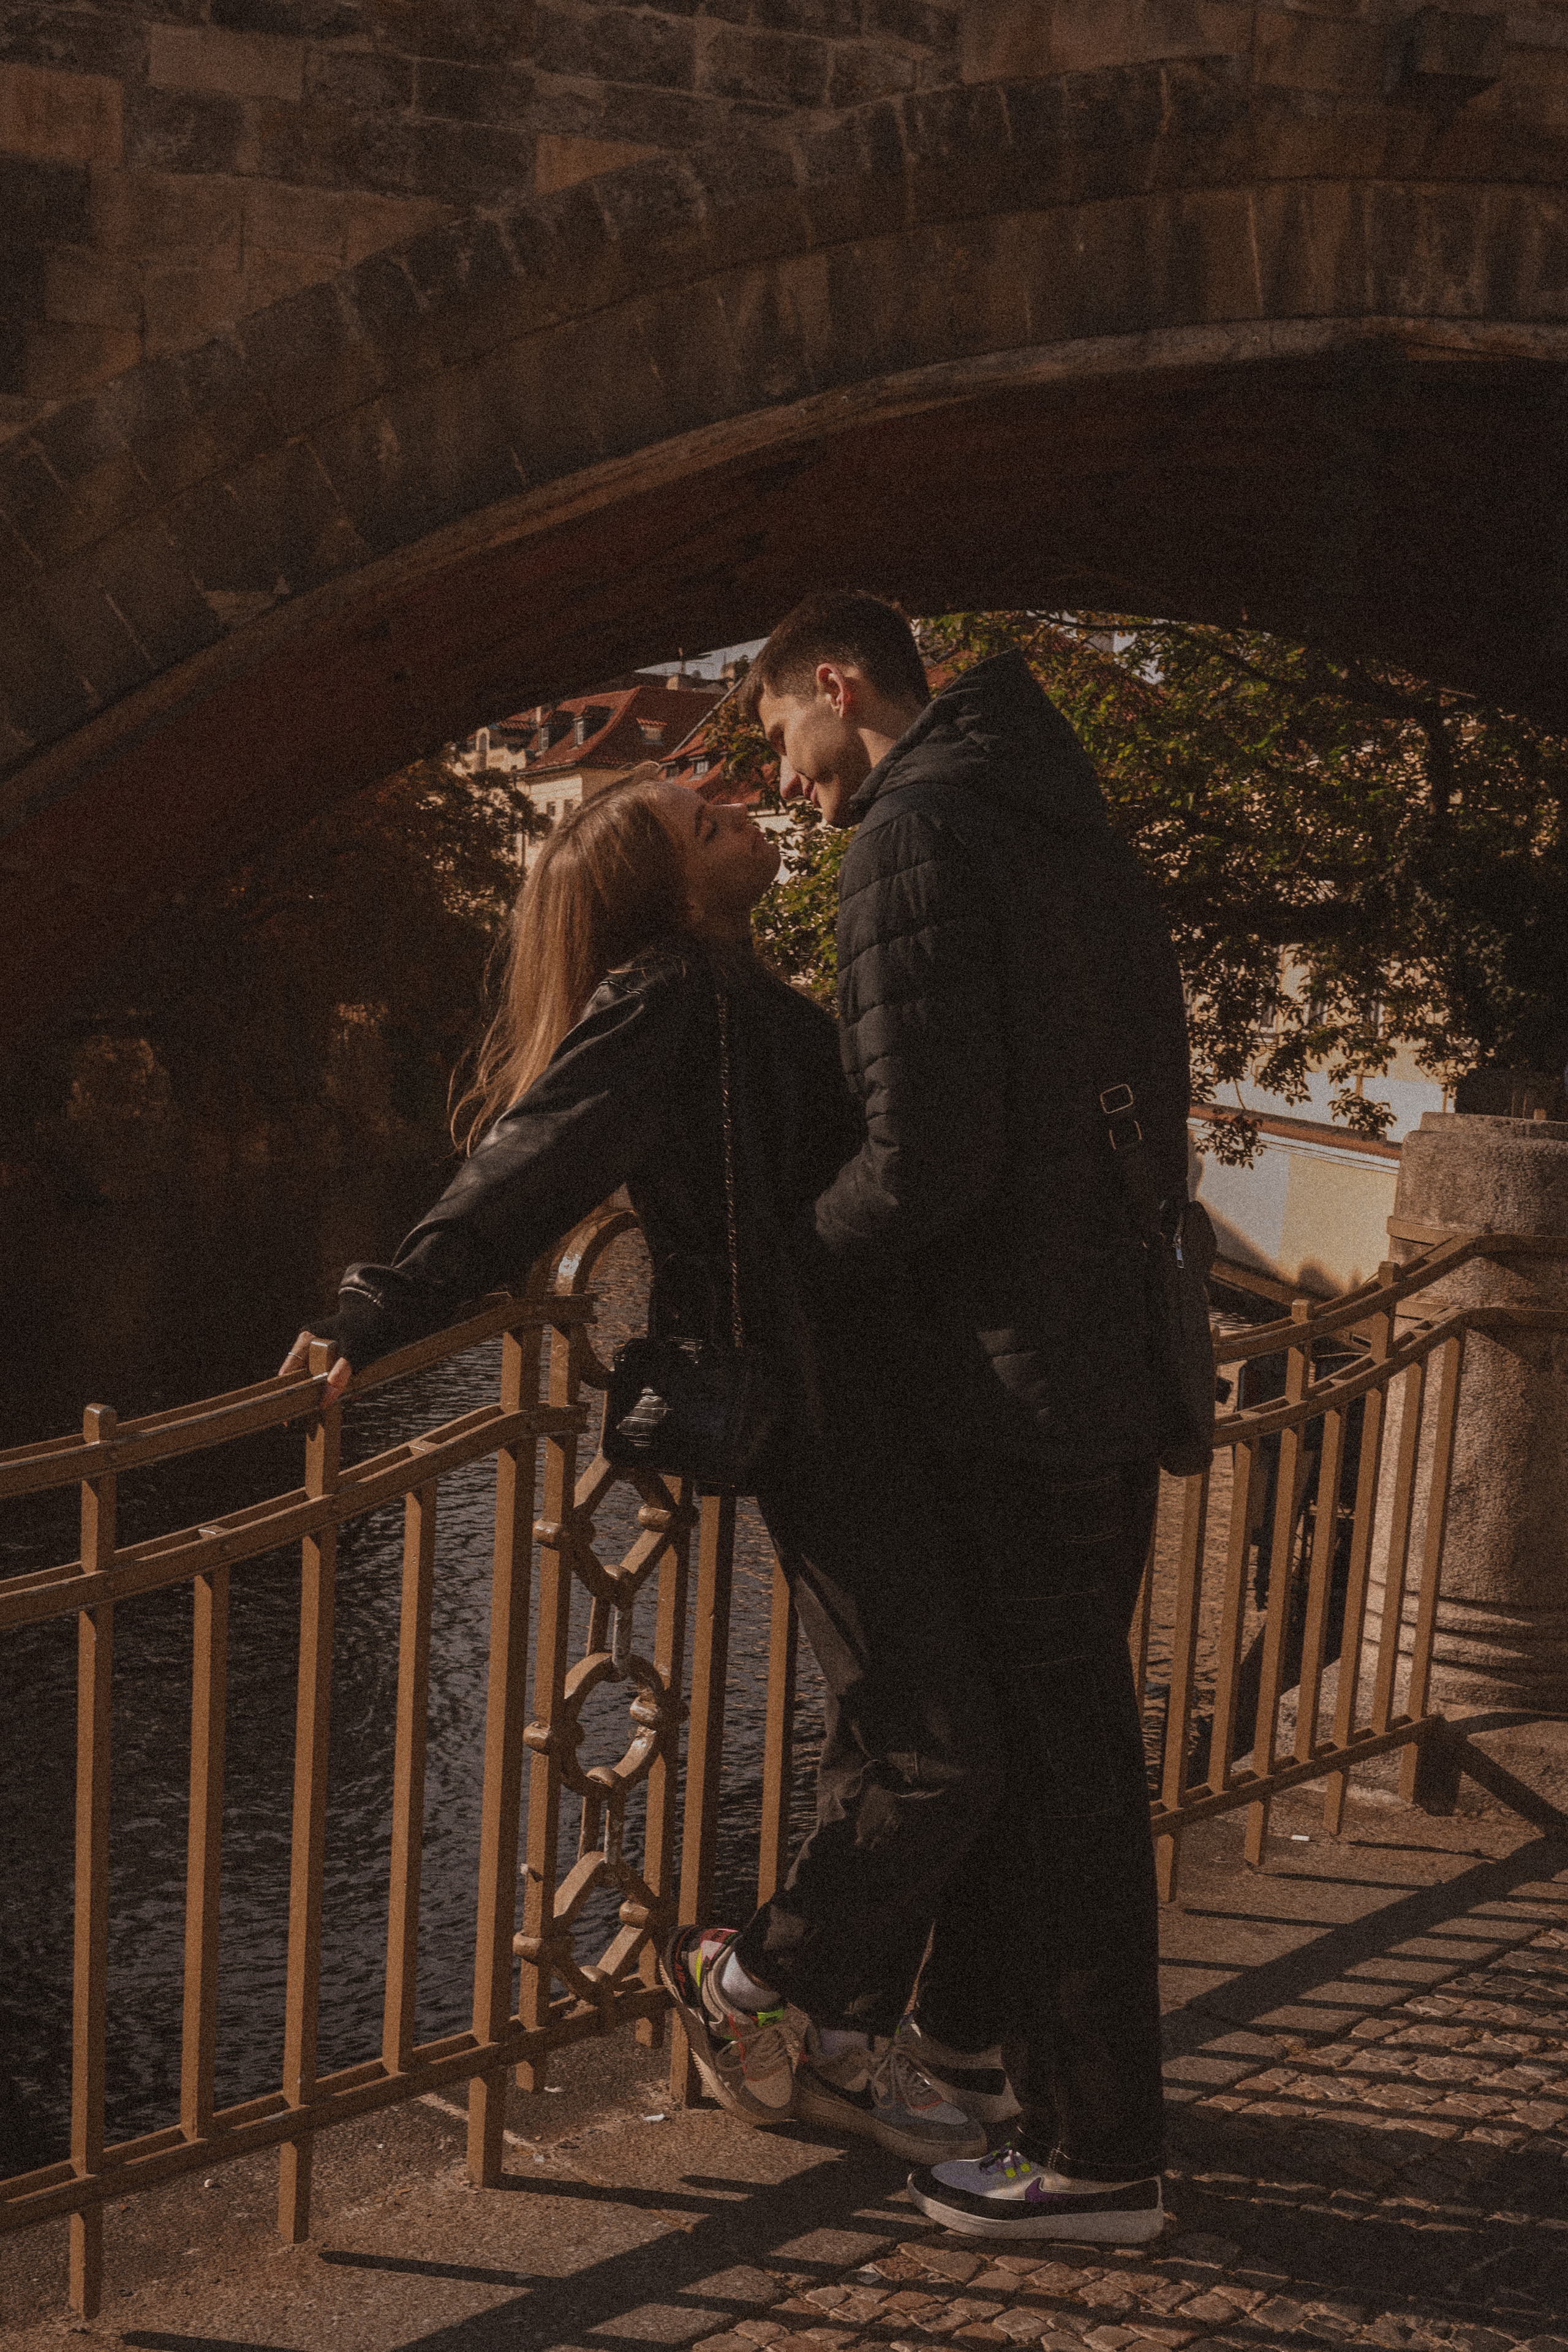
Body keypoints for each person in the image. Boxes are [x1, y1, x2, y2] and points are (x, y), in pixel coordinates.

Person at [279, 770, 987, 2166]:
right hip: (818, 1409)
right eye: (693, 815)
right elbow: (531, 1158)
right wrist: (377, 1308)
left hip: (867, 1404)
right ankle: (750, 1992)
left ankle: (827, 2038)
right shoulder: (671, 992)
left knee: (888, 1729)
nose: (729, 804)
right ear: (658, 887)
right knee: (936, 1750)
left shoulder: (737, 989)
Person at [666, 594, 1192, 2244]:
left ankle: (1099, 2155)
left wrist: (781, 1270)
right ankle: (978, 2062)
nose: (786, 777)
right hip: (1110, 1360)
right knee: (1070, 1759)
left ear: (837, 687)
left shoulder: (912, 834)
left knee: (1060, 1785)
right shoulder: (1066, 814)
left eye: (776, 739)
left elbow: (923, 1163)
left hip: (1011, 1380)